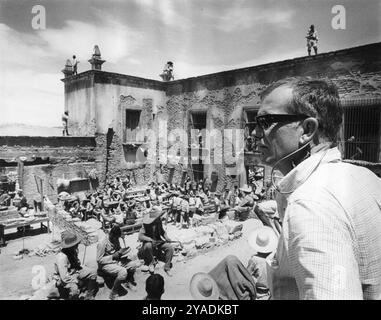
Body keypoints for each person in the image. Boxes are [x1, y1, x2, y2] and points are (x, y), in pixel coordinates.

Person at [253, 77, 381, 299]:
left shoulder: (311, 203)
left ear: (307, 129)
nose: (255, 133)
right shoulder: (365, 176)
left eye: (266, 121)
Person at [53, 231, 98, 300]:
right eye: (75, 244)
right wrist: (77, 280)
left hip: (74, 271)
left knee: (93, 273)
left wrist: (79, 268)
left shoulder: (73, 250)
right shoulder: (62, 257)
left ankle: (89, 296)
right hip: (65, 277)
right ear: (69, 246)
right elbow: (64, 278)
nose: (77, 245)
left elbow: (77, 264)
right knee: (74, 290)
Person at [97, 225, 137, 300]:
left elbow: (118, 249)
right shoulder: (102, 242)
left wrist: (123, 252)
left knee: (133, 265)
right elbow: (99, 260)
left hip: (116, 261)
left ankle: (126, 281)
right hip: (106, 264)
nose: (116, 239)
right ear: (111, 235)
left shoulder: (115, 238)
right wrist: (112, 256)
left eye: (117, 238)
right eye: (116, 238)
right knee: (123, 272)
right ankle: (113, 293)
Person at [138, 206, 174, 276]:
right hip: (149, 242)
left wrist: (166, 237)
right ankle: (152, 262)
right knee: (148, 246)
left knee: (170, 247)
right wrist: (150, 239)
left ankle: (167, 267)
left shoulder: (159, 221)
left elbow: (162, 232)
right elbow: (140, 236)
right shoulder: (145, 224)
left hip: (158, 241)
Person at [246, 226, 278, 300]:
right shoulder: (274, 257)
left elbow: (247, 274)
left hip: (258, 292)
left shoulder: (254, 259)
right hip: (271, 290)